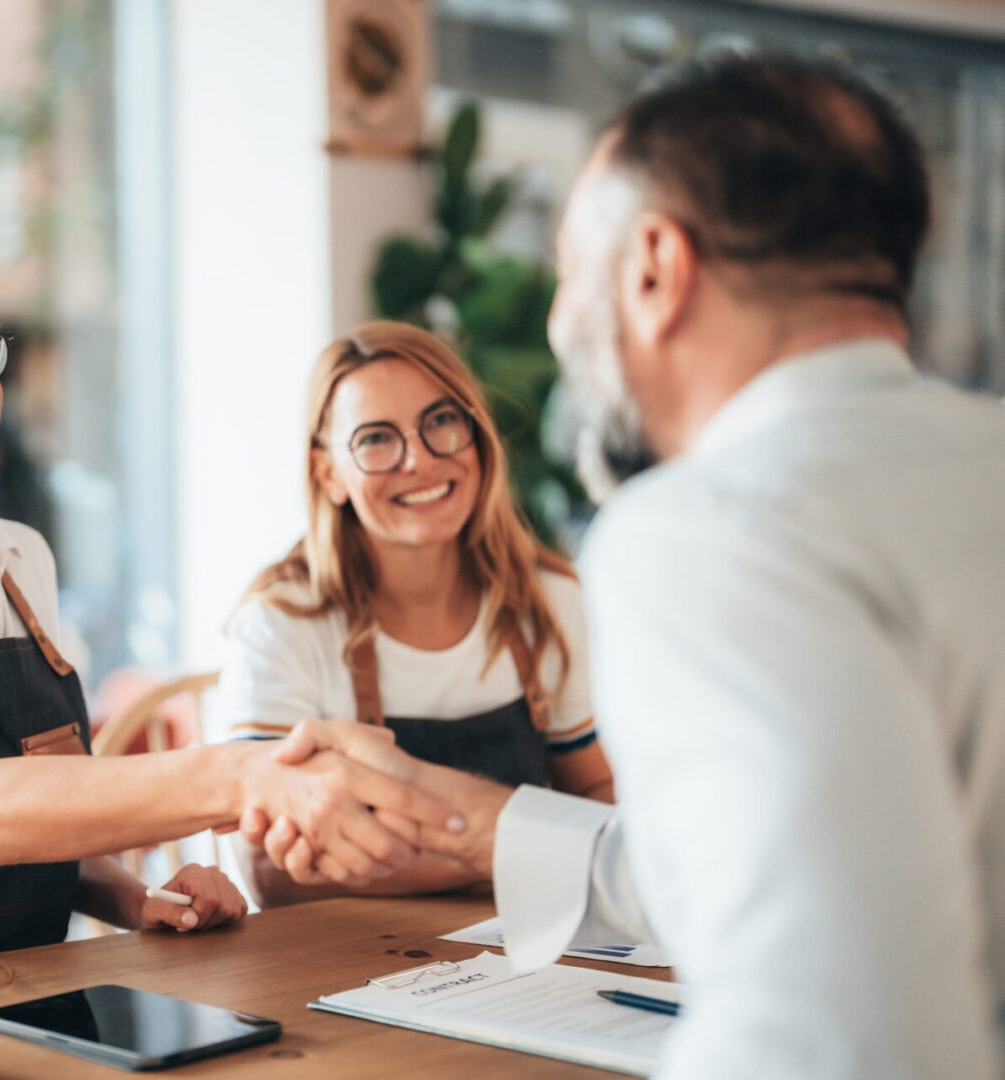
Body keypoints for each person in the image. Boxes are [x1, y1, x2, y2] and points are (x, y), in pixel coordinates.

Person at [243, 53, 1005, 1077]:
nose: (561, 322)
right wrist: (462, 815)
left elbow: (835, 1029)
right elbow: (771, 866)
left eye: (571, 268)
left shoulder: (713, 527)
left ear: (654, 267)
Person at [0, 209, 460, 995]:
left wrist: (135, 897)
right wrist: (244, 774)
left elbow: (43, 795)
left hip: (7, 1004)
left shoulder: (22, 559)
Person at [216, 321, 612, 905]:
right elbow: (271, 873)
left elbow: (600, 794)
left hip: (529, 950)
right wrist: (517, 851)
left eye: (442, 422)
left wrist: (415, 856)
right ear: (329, 474)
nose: (419, 461)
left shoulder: (549, 602)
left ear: (476, 436)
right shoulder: (282, 624)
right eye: (377, 438)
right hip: (353, 967)